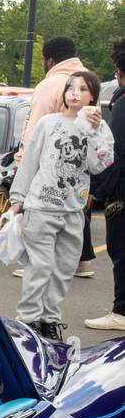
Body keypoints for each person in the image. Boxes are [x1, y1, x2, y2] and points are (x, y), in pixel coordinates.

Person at [12, 72, 114, 340]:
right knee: (40, 266)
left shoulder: (99, 128)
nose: (75, 92)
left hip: (73, 210)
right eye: (71, 87)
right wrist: (18, 197)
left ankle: (50, 320)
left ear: (93, 95)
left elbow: (99, 164)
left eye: (82, 88)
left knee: (64, 269)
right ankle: (28, 321)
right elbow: (30, 159)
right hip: (41, 206)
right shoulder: (49, 123)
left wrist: (93, 131)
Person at [86, 40, 125, 331]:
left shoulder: (122, 104)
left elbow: (115, 154)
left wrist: (97, 192)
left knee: (121, 251)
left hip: (121, 195)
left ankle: (121, 311)